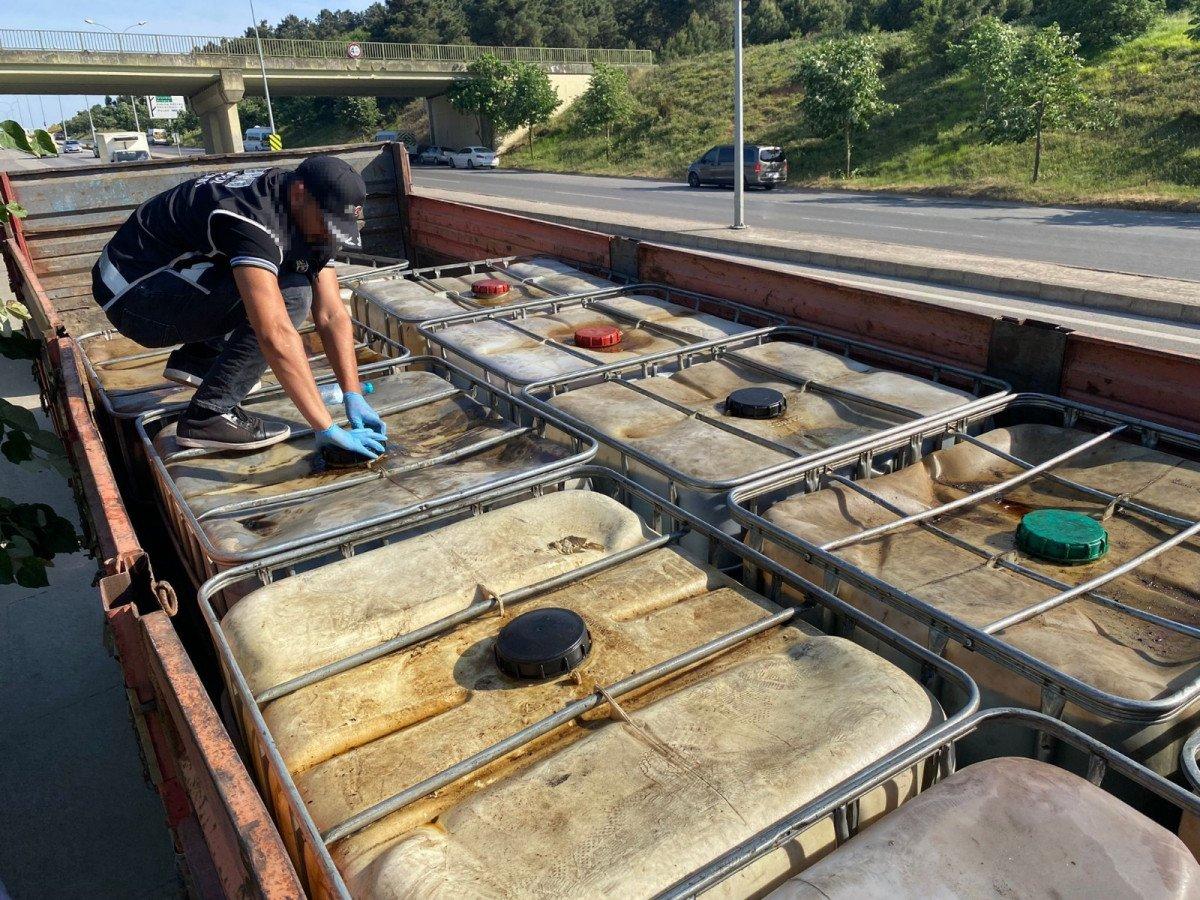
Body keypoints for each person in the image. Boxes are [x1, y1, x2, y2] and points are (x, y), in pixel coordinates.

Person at [91, 155, 387, 459]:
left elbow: (331, 313)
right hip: (135, 296)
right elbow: (273, 331)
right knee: (292, 295)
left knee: (286, 278)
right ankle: (207, 416)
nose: (329, 234)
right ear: (299, 194)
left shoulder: (310, 209)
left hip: (174, 277)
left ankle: (201, 358)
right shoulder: (253, 217)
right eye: (326, 224)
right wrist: (324, 427)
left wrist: (352, 392)